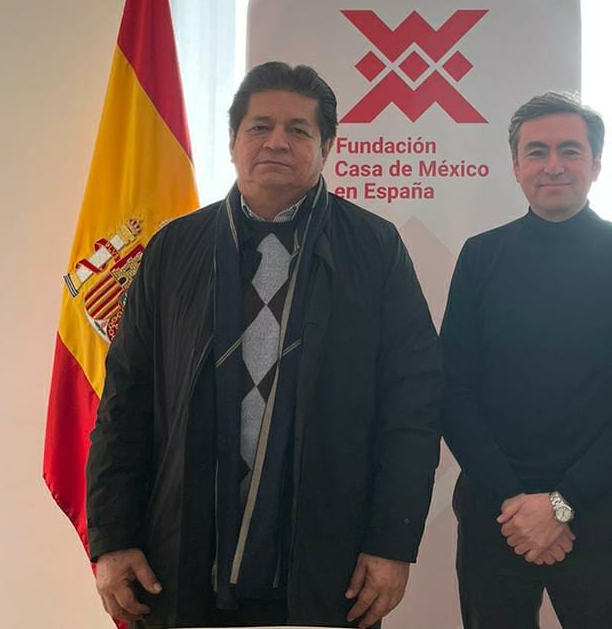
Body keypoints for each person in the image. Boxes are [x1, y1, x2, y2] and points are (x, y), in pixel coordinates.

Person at [86, 62, 443, 628]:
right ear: (233, 141)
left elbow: (412, 406)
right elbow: (124, 404)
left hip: (331, 555)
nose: (277, 141)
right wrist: (112, 538)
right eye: (260, 127)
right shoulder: (174, 249)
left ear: (327, 147)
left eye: (298, 129)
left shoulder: (376, 249)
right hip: (182, 551)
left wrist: (392, 543)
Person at [440, 92, 612, 629]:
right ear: (515, 166)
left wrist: (563, 504)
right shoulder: (480, 257)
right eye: (537, 152)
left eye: (570, 151)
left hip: (601, 512)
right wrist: (515, 503)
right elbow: (453, 390)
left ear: (595, 164)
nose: (553, 165)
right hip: (496, 514)